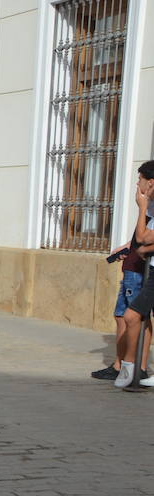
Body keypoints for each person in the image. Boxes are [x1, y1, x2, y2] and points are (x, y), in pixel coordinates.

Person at [108, 161, 154, 388]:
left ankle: (132, 368)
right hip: (151, 270)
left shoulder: (148, 206)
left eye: (140, 180)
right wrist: (139, 249)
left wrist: (142, 206)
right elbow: (142, 242)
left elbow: (144, 238)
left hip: (145, 273)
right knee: (130, 316)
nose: (137, 184)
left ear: (151, 182)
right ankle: (128, 368)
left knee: (132, 316)